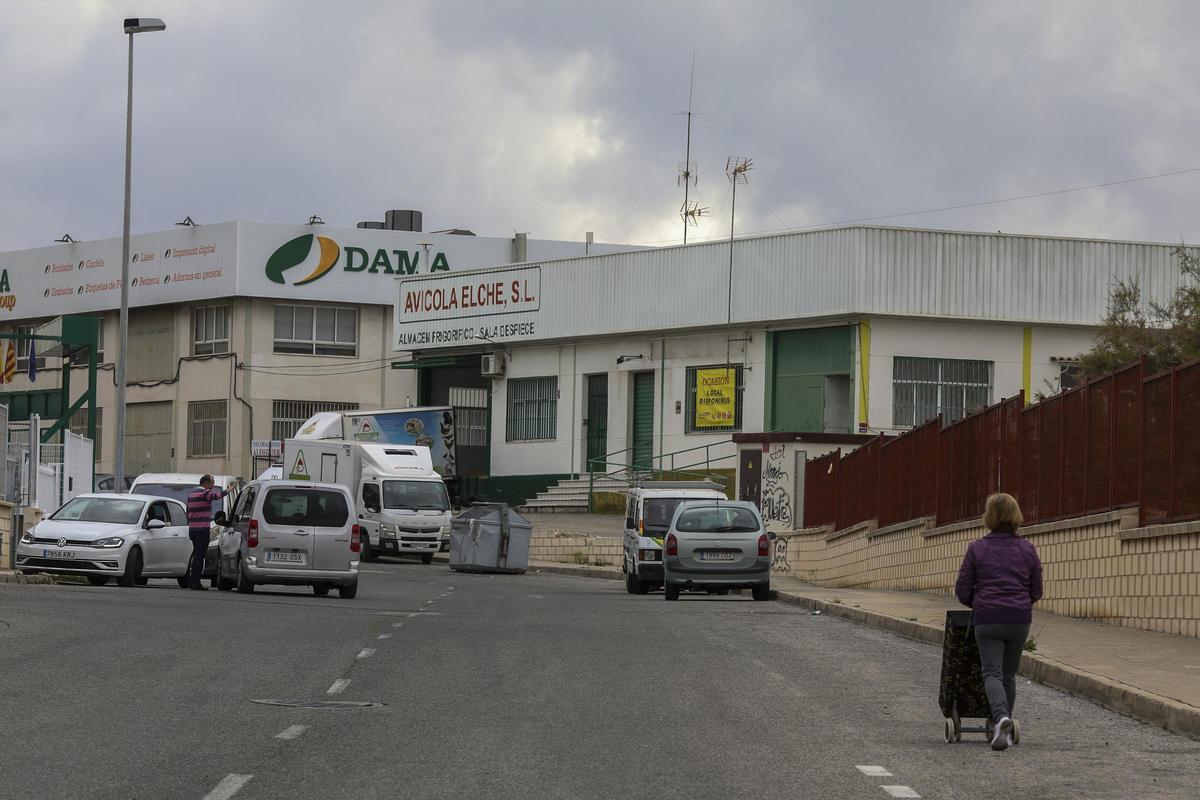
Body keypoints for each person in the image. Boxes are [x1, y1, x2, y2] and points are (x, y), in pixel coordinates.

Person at [954, 492, 1043, 751]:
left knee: (991, 673)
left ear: (989, 517)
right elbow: (1036, 589)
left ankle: (1001, 718)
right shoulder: (1027, 549)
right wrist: (1020, 603)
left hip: (988, 618)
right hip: (1019, 618)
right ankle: (1000, 725)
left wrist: (980, 603)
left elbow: (962, 590)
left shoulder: (977, 548)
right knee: (1008, 674)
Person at [183, 475, 235, 591]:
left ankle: (192, 580)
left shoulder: (191, 495)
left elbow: (187, 512)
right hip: (202, 529)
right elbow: (215, 496)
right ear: (205, 483)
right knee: (199, 557)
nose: (213, 485)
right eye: (212, 483)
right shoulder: (204, 493)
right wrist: (229, 490)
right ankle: (195, 582)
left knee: (196, 555)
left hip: (193, 529)